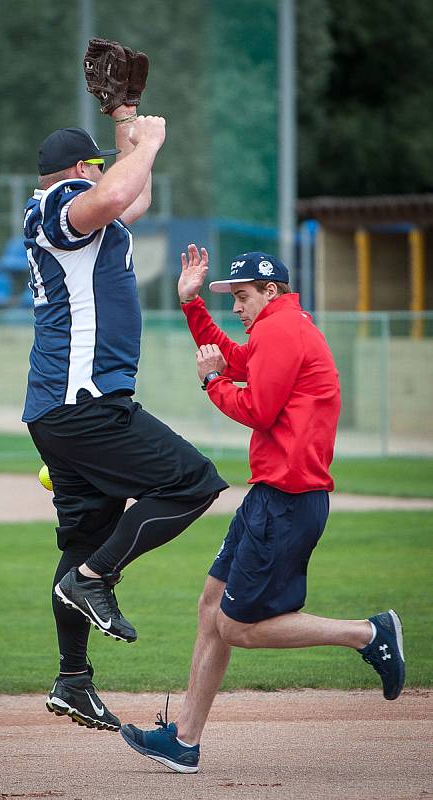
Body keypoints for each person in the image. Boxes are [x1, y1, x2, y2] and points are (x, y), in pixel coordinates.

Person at [120, 245, 405, 773]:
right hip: (271, 495)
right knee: (212, 607)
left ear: (270, 290)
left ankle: (367, 633)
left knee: (238, 626)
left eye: (243, 295)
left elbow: (256, 408)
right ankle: (184, 741)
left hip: (289, 500)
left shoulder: (282, 330)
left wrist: (210, 383)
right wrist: (191, 306)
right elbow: (232, 357)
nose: (237, 305)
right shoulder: (278, 327)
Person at [22, 101, 228, 729]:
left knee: (85, 535)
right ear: (75, 171)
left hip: (67, 408)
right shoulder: (56, 209)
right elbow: (113, 195)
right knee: (193, 483)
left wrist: (126, 120)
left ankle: (73, 679)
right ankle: (93, 578)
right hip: (83, 404)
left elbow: (125, 199)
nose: (102, 173)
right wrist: (152, 143)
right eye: (94, 164)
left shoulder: (94, 218)